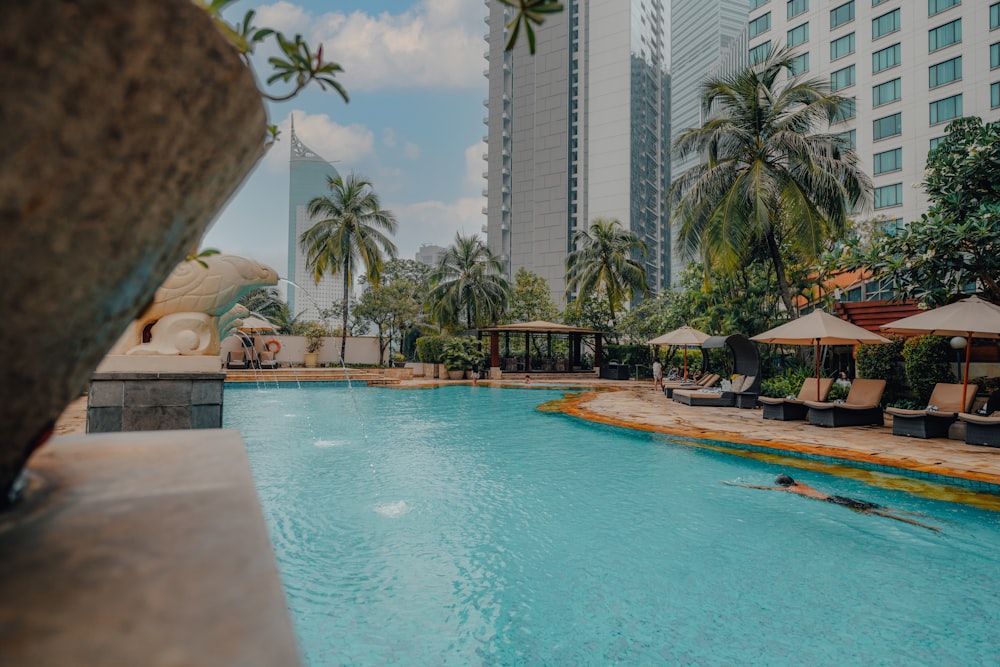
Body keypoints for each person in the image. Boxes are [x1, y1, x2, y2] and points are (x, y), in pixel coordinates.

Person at [723, 474, 940, 531]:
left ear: (784, 485)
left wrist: (738, 485)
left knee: (877, 514)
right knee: (879, 507)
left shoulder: (791, 490)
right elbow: (792, 479)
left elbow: (763, 488)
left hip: (834, 502)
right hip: (838, 496)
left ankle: (925, 525)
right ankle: (922, 517)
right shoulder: (801, 484)